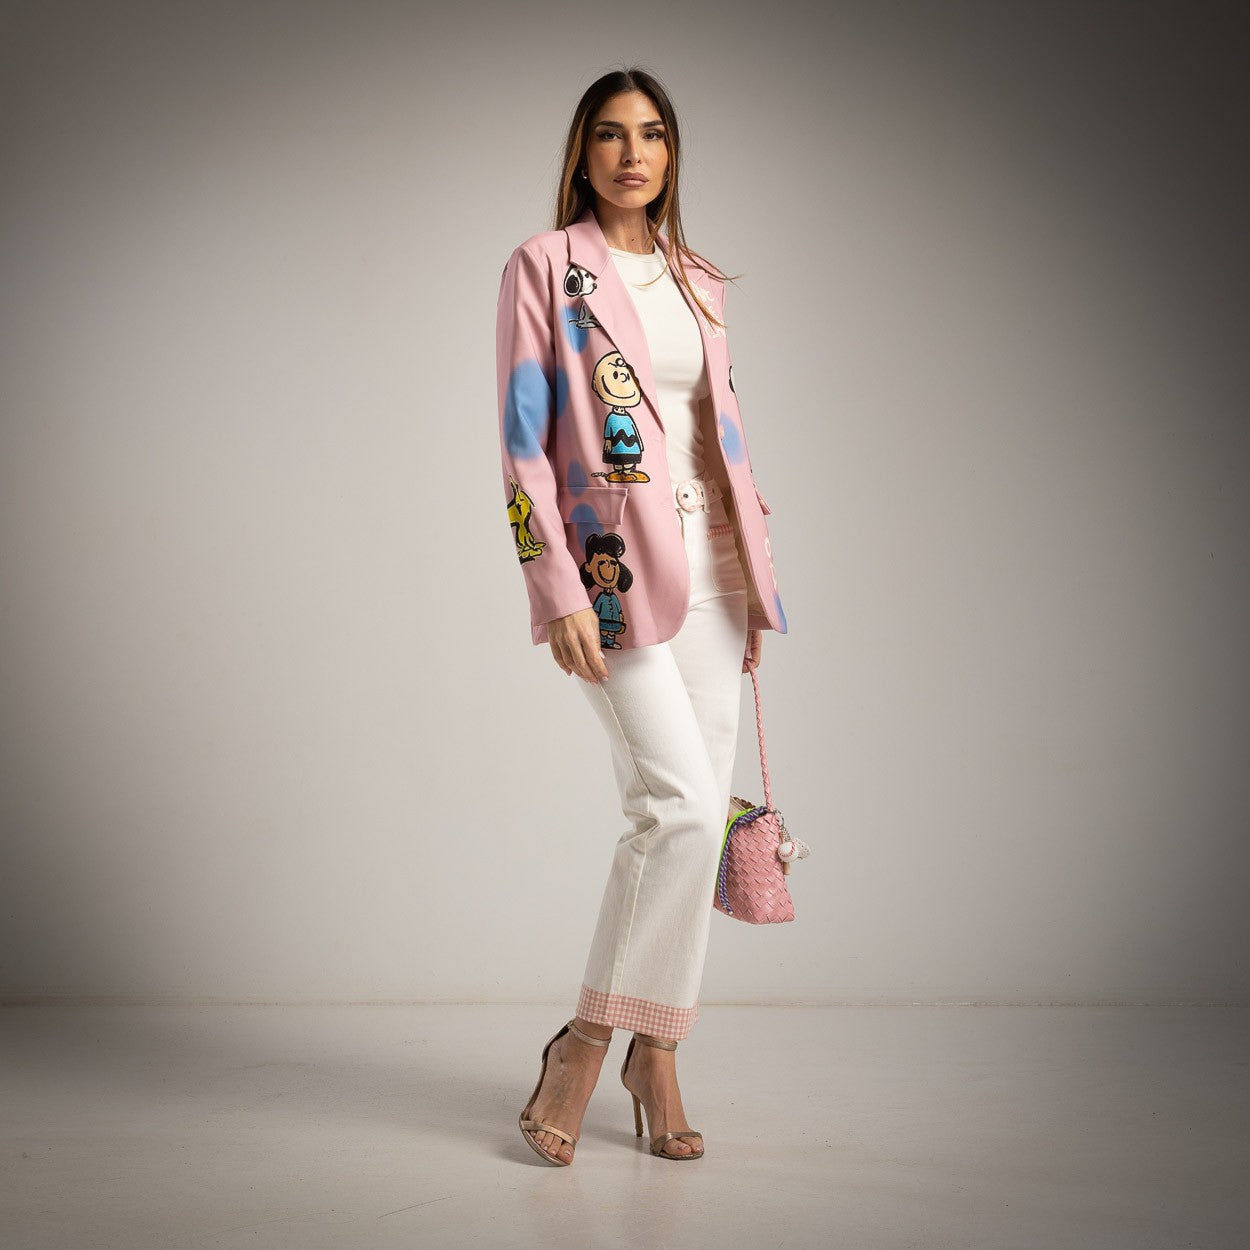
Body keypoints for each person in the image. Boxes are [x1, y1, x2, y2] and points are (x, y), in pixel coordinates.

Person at [495, 68, 788, 1165]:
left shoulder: (700, 280)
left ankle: (655, 1051)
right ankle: (585, 1044)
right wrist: (556, 586)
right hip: (612, 576)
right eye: (612, 135)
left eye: (653, 135)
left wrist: (755, 574)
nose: (633, 154)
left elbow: (719, 429)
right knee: (678, 808)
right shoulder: (545, 266)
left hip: (718, 570)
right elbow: (522, 443)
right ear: (583, 153)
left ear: (671, 154)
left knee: (686, 821)